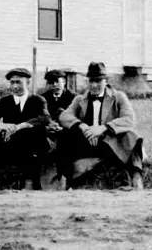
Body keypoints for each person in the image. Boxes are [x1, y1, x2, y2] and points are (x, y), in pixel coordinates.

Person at [56, 62, 144, 191]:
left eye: (98, 81)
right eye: (91, 81)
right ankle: (64, 179)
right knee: (64, 135)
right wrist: (83, 127)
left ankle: (136, 177)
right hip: (86, 142)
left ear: (106, 81)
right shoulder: (80, 99)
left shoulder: (118, 97)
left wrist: (103, 128)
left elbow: (129, 119)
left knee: (131, 136)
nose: (94, 85)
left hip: (109, 143)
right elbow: (64, 116)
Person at [0, 68, 52, 190]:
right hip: (11, 144)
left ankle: (34, 182)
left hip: (33, 145)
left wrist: (20, 126)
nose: (15, 86)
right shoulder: (5, 101)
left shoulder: (37, 100)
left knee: (38, 134)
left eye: (19, 82)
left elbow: (44, 118)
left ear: (27, 83)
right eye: (12, 82)